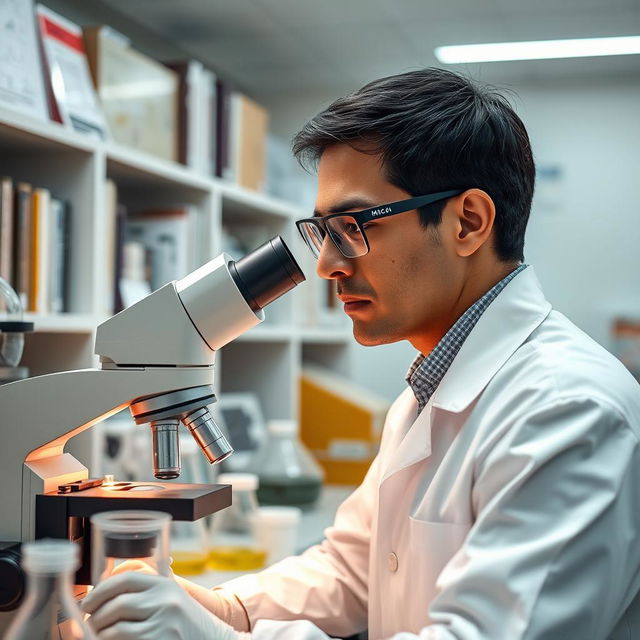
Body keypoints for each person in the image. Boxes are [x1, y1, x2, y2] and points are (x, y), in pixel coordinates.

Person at [82, 68, 640, 639]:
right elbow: (351, 572)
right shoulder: (428, 390)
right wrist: (225, 608)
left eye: (352, 226)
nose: (326, 265)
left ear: (468, 222)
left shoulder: (570, 409)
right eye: (323, 232)